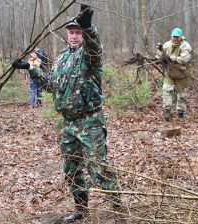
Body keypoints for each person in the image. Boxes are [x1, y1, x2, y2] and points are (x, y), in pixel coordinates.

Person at [12, 4, 121, 223]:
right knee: (71, 169)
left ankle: (119, 211)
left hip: (89, 122)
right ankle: (81, 209)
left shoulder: (88, 57)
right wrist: (31, 68)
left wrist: (88, 28)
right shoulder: (62, 58)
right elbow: (51, 85)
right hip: (69, 125)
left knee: (98, 169)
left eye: (78, 32)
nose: (74, 35)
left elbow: (95, 49)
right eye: (71, 32)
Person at [159, 27, 193, 121]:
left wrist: (173, 58)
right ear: (171, 36)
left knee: (182, 94)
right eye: (174, 36)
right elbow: (160, 53)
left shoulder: (186, 46)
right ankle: (167, 111)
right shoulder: (167, 45)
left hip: (182, 74)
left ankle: (180, 113)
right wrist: (159, 57)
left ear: (181, 37)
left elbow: (185, 58)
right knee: (166, 90)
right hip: (169, 73)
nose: (175, 38)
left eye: (177, 37)